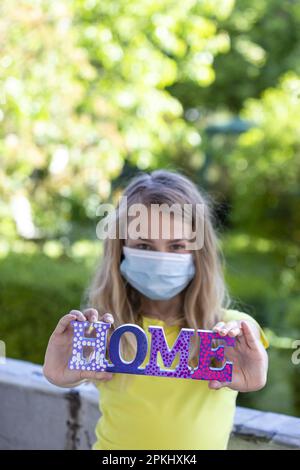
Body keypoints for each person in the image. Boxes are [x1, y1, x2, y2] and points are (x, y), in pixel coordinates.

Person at [43, 169, 269, 450]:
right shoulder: (104, 329)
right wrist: (56, 374)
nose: (161, 259)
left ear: (200, 252)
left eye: (176, 246)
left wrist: (256, 374)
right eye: (144, 245)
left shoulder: (229, 331)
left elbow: (256, 360)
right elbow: (64, 373)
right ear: (120, 248)